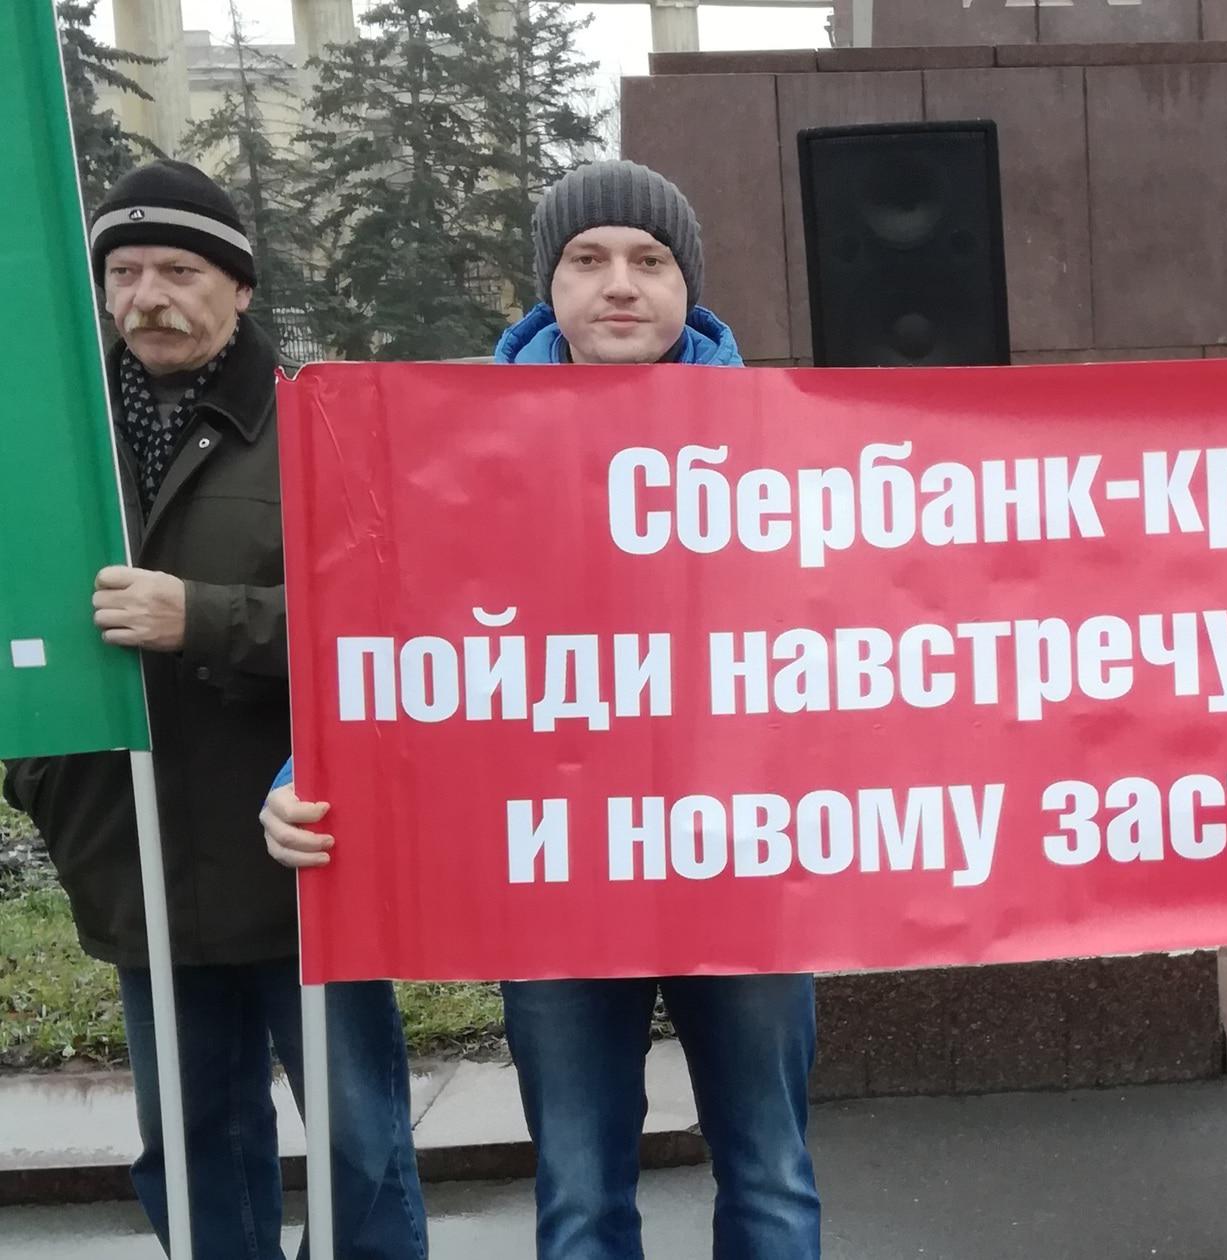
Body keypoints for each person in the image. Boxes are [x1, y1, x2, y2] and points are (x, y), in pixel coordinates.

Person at [263, 160, 821, 1260]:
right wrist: (302, 778)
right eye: (588, 258)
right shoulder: (454, 447)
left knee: (771, 1173)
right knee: (577, 1190)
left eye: (649, 260)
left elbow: (873, 639)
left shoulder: (783, 443)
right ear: (547, 284)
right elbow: (393, 633)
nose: (620, 284)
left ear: (688, 286)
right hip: (555, 871)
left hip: (743, 858)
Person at [2, 159, 427, 1260]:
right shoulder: (51, 446)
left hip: (300, 858)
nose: (149, 296)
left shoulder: (317, 427)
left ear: (239, 288)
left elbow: (382, 628)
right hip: (134, 855)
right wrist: (39, 774)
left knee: (358, 1143)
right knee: (192, 1149)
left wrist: (202, 617)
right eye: (125, 271)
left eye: (181, 271)